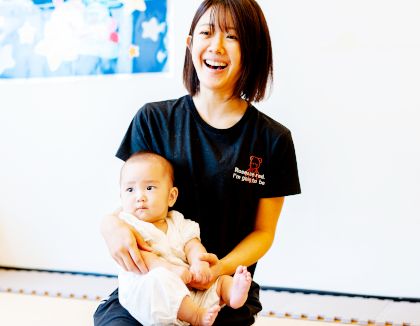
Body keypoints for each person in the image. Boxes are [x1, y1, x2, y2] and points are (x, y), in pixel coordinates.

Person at [94, 0, 301, 325]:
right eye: (207, 32)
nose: (216, 46)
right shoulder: (153, 120)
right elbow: (129, 203)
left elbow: (263, 232)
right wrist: (110, 226)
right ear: (190, 44)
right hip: (153, 283)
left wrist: (217, 268)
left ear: (253, 50)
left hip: (220, 289)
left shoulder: (273, 140)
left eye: (232, 37)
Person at [117, 151, 252, 325]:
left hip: (189, 288)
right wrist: (171, 269)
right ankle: (196, 316)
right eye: (130, 189)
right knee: (159, 278)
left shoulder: (178, 222)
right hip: (149, 295)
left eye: (149, 188)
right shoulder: (129, 224)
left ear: (171, 196)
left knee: (219, 280)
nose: (139, 197)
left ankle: (233, 294)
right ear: (121, 196)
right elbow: (142, 258)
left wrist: (199, 263)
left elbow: (193, 245)